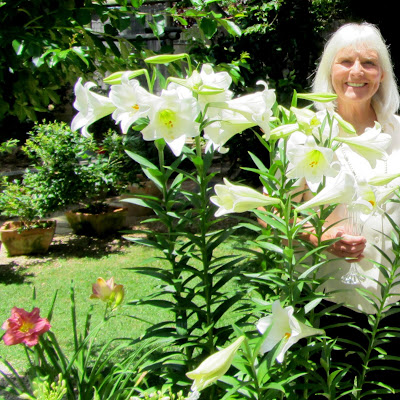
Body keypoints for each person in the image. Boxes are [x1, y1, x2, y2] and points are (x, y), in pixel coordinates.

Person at [304, 22, 400, 397]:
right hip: (334, 299)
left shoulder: (399, 131)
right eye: (346, 61)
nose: (357, 71)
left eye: (369, 63)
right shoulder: (306, 132)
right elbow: (275, 215)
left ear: (382, 75)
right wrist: (319, 237)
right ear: (330, 70)